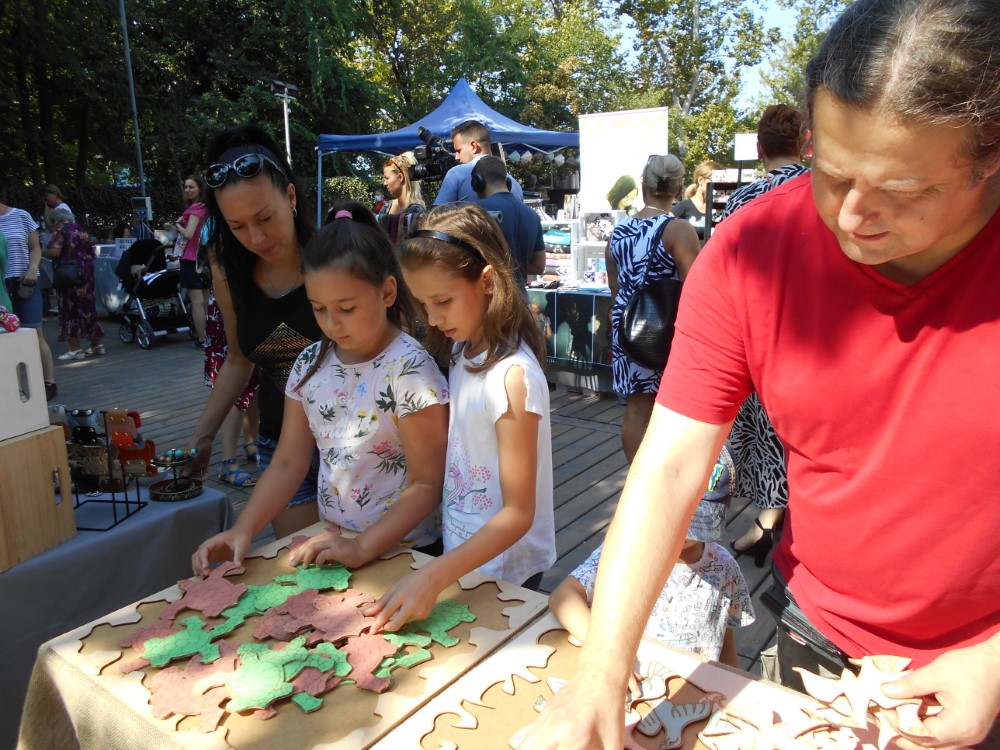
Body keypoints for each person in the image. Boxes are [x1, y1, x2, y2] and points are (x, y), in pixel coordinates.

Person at [522, 0, 1000, 747]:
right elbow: (670, 466)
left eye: (903, 191)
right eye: (831, 173)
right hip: (818, 634)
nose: (852, 216)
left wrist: (993, 664)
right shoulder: (751, 253)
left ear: (989, 155)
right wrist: (602, 673)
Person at [192, 203, 449, 576]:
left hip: (407, 557)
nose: (332, 323)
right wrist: (242, 529)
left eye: (346, 308)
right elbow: (287, 463)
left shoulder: (409, 370)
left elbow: (427, 483)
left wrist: (362, 546)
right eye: (318, 308)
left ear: (387, 292)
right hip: (336, 548)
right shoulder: (309, 363)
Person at [365, 203, 555, 632]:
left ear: (487, 281)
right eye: (422, 303)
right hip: (463, 554)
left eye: (443, 301)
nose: (432, 318)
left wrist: (434, 575)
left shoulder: (512, 378)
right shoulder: (461, 350)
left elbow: (519, 513)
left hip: (506, 569)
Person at [188, 124, 323, 539]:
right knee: (305, 572)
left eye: (265, 218)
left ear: (291, 197)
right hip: (280, 450)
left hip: (354, 449)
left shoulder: (335, 256)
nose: (256, 238)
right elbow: (238, 358)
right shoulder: (228, 271)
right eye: (238, 226)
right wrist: (203, 438)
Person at [549, 447, 752, 667]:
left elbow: (725, 641)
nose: (682, 529)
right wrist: (603, 653)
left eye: (695, 520)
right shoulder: (624, 550)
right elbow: (563, 596)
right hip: (626, 674)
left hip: (695, 681)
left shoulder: (724, 567)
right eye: (673, 515)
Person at [721, 104, 810, 564]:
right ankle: (783, 522)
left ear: (759, 148)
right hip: (818, 333)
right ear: (804, 143)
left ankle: (767, 520)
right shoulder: (822, 193)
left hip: (760, 333)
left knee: (766, 428)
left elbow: (725, 272)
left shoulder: (743, 200)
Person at [606, 155, 700, 463]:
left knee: (636, 410)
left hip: (628, 328)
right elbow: (696, 289)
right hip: (667, 331)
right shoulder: (679, 230)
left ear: (644, 186)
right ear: (678, 189)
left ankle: (637, 478)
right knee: (672, 410)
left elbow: (616, 289)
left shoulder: (619, 232)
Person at [201, 216, 260, 489]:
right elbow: (222, 272)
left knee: (255, 381)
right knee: (236, 388)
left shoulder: (239, 219)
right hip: (230, 311)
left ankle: (251, 441)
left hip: (245, 305)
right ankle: (228, 461)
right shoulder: (216, 225)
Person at [0, 184, 57, 400]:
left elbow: (35, 247)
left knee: (35, 333)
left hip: (25, 282)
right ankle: (16, 389)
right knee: (6, 338)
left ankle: (48, 382)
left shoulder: (20, 215)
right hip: (1, 287)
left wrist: (33, 268)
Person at [473, 155, 545, 285]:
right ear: (508, 182)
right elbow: (539, 267)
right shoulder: (533, 216)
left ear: (477, 182)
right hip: (520, 295)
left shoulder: (476, 211)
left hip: (489, 294)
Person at [43, 209, 104, 360]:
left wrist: (42, 251)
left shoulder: (60, 227)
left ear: (55, 220)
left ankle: (75, 349)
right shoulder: (79, 228)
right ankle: (96, 345)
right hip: (86, 274)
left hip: (68, 274)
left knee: (68, 308)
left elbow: (55, 251)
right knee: (87, 307)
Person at [434, 120, 524, 205]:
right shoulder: (516, 186)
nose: (457, 157)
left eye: (458, 151)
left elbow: (438, 214)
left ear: (473, 146)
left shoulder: (456, 174)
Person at [173, 175, 209, 347]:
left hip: (190, 258)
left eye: (191, 187)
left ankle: (202, 339)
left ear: (200, 189)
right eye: (186, 187)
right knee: (206, 300)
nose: (187, 190)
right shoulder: (206, 208)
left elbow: (188, 234)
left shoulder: (195, 209)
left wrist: (177, 225)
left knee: (197, 302)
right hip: (204, 258)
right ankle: (212, 335)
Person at [379, 152, 426, 244]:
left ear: (400, 177)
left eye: (387, 178)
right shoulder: (387, 206)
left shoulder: (416, 210)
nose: (384, 183)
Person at [671, 160, 722, 241]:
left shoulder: (720, 207)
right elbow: (666, 229)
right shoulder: (683, 206)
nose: (717, 186)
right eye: (714, 181)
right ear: (700, 180)